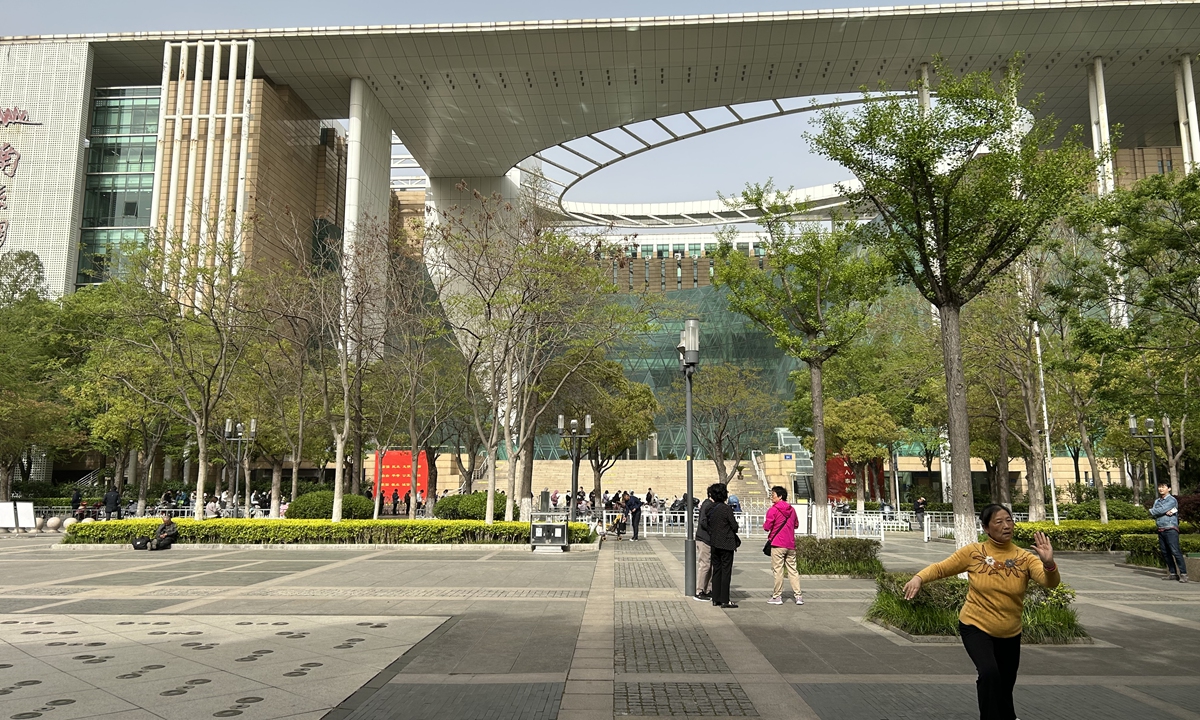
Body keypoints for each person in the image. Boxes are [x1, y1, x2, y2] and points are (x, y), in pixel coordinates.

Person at [903, 504, 1059, 720]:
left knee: (1004, 683)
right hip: (975, 626)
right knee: (989, 673)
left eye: (1009, 520)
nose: (1006, 526)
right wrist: (918, 578)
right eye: (998, 522)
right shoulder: (974, 553)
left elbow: (1049, 582)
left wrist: (1049, 563)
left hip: (1010, 631)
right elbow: (941, 568)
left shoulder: (1025, 558)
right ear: (986, 528)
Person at [764, 485, 803, 606]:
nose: (771, 497)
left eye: (773, 494)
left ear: (780, 496)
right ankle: (798, 596)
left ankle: (777, 596)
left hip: (777, 544)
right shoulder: (791, 510)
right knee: (793, 570)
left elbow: (767, 527)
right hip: (790, 544)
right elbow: (796, 524)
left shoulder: (773, 510)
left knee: (778, 570)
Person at [706, 484, 740, 608]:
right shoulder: (726, 509)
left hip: (714, 543)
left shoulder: (709, 509)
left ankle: (716, 598)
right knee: (726, 571)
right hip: (726, 543)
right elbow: (734, 526)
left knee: (717, 571)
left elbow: (707, 525)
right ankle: (725, 599)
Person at [1151, 481, 1188, 582]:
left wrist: (1158, 511)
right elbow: (1154, 511)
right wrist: (1158, 511)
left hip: (1171, 528)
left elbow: (1157, 511)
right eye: (1159, 487)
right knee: (1165, 552)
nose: (1161, 489)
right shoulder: (1157, 501)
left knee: (1175, 551)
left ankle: (1183, 574)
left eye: (1163, 487)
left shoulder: (1172, 500)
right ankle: (1173, 573)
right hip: (1161, 528)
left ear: (1169, 489)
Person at [693, 484, 718, 602]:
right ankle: (699, 590)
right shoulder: (708, 505)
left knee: (709, 565)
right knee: (705, 565)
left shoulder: (708, 504)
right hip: (704, 539)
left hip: (707, 539)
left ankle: (708, 589)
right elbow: (704, 521)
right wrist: (712, 530)